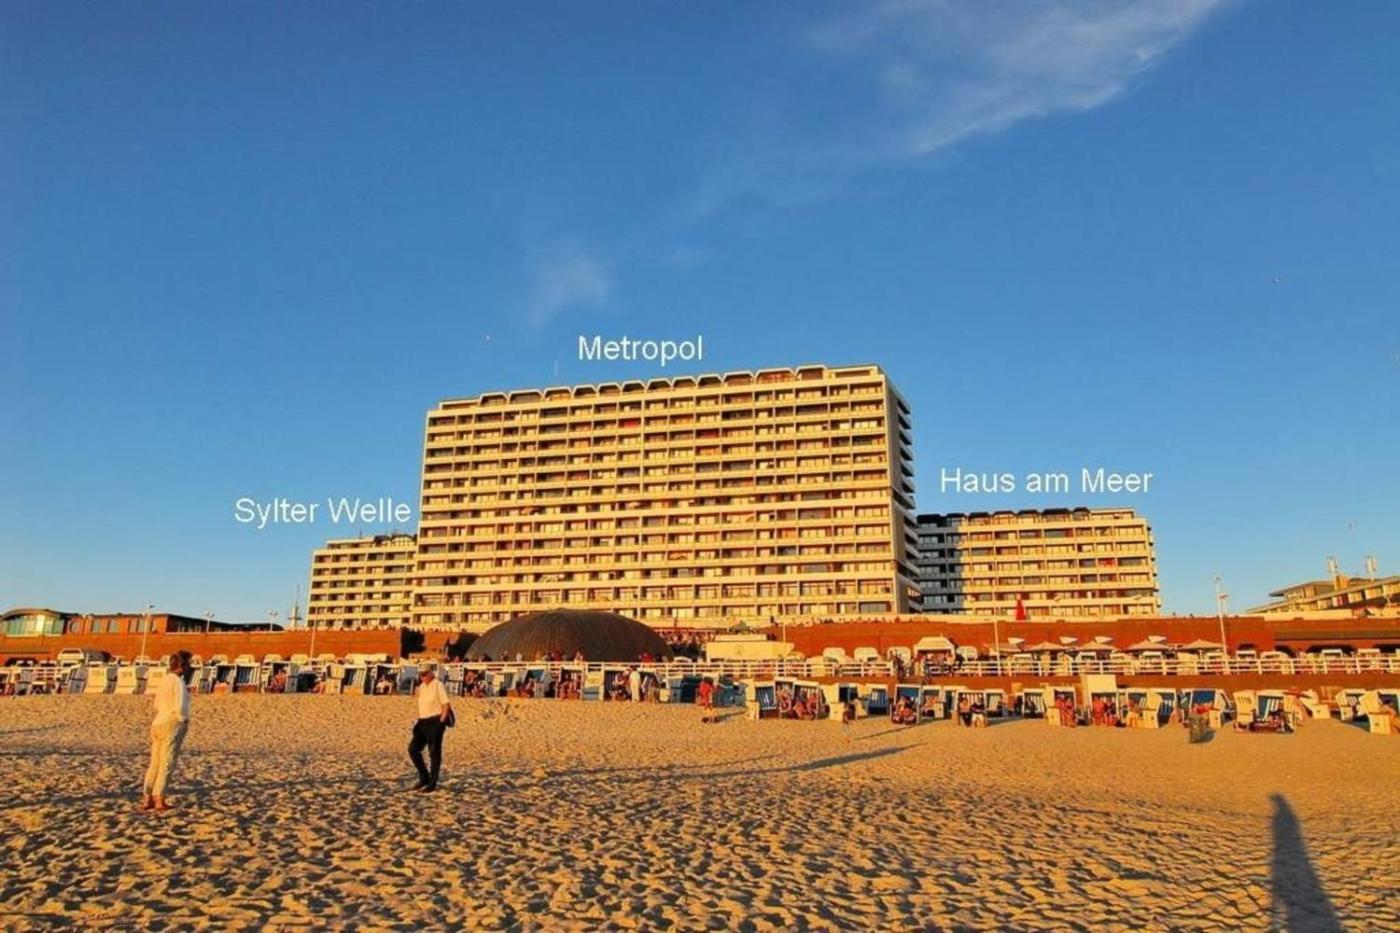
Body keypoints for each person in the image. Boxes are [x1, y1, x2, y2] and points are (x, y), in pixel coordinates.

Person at [140, 650, 192, 813]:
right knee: (167, 762)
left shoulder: (164, 680)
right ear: (182, 665)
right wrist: (184, 720)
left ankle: (147, 796)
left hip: (158, 721)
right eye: (188, 663)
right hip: (172, 722)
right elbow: (181, 706)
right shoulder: (178, 682)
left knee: (155, 763)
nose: (190, 667)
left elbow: (156, 704)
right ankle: (159, 798)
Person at [409, 669, 452, 793]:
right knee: (413, 749)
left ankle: (432, 783)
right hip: (422, 721)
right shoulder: (422, 687)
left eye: (425, 674)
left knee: (434, 753)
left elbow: (446, 705)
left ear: (431, 673)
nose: (422, 677)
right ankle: (424, 777)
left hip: (435, 721)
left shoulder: (438, 685)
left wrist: (440, 723)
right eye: (421, 675)